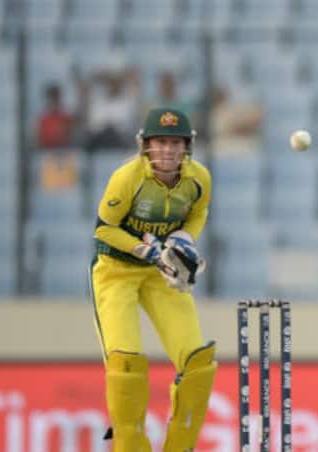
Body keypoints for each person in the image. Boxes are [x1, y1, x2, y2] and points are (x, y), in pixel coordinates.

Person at [90, 107, 215, 451]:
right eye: (161, 142)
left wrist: (184, 239)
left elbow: (198, 213)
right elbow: (104, 228)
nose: (168, 151)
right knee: (125, 365)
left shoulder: (198, 179)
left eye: (176, 143)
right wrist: (142, 250)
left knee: (198, 362)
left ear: (187, 147)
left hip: (162, 273)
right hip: (116, 272)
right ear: (145, 145)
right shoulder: (127, 178)